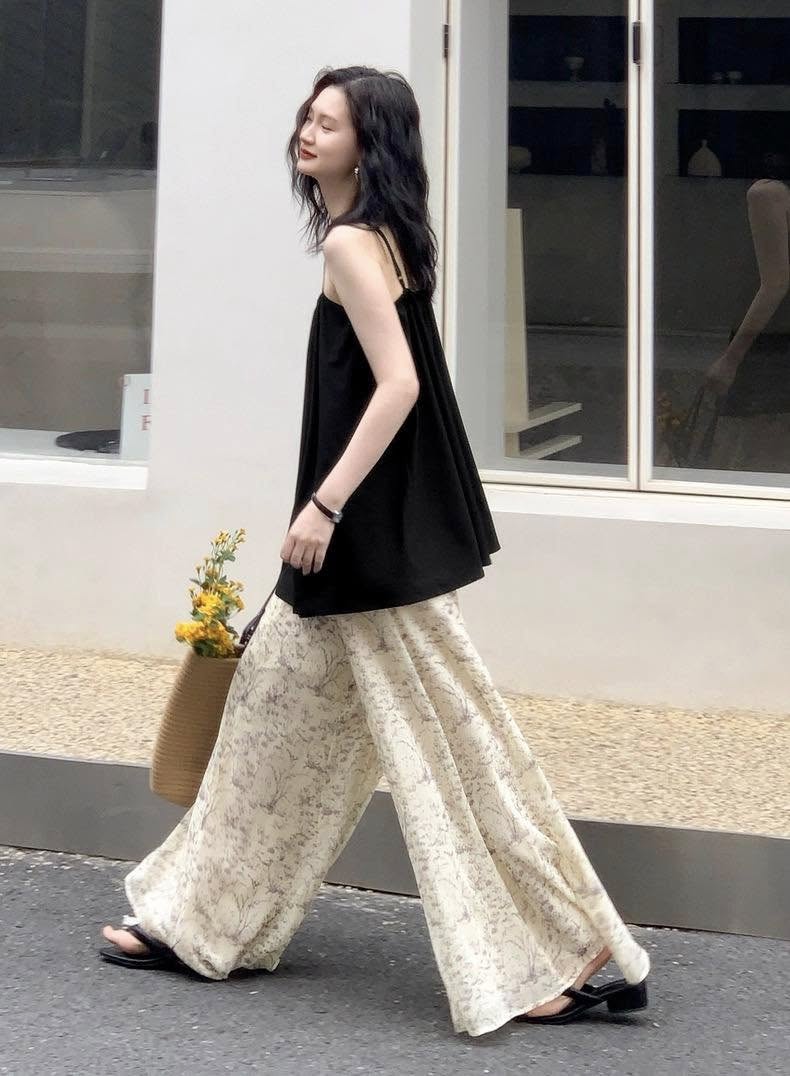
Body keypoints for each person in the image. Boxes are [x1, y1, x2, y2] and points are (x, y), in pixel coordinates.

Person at [99, 65, 651, 1038]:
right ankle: (200, 921)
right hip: (366, 547)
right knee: (273, 731)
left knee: (456, 756)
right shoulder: (387, 235)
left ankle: (568, 953)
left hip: (361, 548)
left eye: (329, 123)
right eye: (306, 118)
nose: (307, 133)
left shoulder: (353, 244)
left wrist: (322, 504)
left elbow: (397, 385)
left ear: (368, 145)